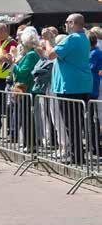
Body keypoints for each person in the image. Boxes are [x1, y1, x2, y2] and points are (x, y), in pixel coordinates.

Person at [43, 14, 91, 164]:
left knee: (71, 124)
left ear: (71, 23)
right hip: (78, 85)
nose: (65, 25)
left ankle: (76, 157)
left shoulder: (72, 38)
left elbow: (50, 55)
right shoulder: (83, 38)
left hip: (70, 87)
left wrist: (47, 40)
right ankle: (76, 155)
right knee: (76, 124)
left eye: (66, 22)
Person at [11, 30, 41, 152]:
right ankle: (28, 143)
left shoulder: (31, 55)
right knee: (24, 116)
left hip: (27, 88)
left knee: (27, 117)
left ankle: (31, 145)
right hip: (23, 88)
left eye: (22, 42)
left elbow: (23, 72)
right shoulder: (27, 54)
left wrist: (13, 65)